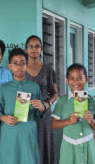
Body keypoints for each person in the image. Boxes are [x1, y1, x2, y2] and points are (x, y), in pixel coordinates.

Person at [0, 48, 46, 164]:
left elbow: (40, 113)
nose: (19, 67)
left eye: (23, 63)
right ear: (10, 66)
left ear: (27, 66)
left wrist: (42, 108)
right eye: (15, 63)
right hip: (10, 133)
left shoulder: (34, 87)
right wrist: (4, 118)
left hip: (28, 133)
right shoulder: (4, 88)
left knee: (29, 159)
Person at [51, 63, 95, 164]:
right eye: (72, 78)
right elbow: (53, 124)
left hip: (88, 146)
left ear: (86, 79)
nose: (76, 82)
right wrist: (67, 121)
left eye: (80, 78)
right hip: (68, 147)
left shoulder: (92, 101)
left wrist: (91, 120)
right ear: (67, 80)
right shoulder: (62, 101)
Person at [25, 35, 58, 164]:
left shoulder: (48, 70)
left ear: (41, 49)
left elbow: (55, 93)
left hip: (44, 114)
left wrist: (46, 104)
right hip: (25, 113)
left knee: (44, 144)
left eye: (37, 46)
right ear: (26, 49)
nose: (34, 49)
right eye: (31, 46)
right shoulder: (19, 69)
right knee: (28, 144)